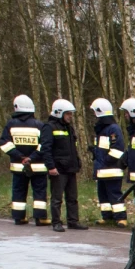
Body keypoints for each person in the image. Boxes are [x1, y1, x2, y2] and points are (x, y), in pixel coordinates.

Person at [0, 94, 51, 225]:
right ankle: (40, 218)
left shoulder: (10, 125)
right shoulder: (39, 125)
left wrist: (19, 156)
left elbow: (4, 144)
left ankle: (19, 217)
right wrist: (31, 158)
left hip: (18, 166)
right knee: (39, 192)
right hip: (38, 166)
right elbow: (44, 144)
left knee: (19, 191)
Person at [46, 99, 87, 232]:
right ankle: (56, 222)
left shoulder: (69, 128)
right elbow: (45, 150)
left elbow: (72, 148)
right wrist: (51, 167)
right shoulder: (49, 127)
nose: (70, 116)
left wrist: (77, 162)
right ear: (59, 113)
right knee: (57, 198)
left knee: (72, 198)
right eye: (67, 113)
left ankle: (73, 221)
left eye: (71, 113)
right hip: (58, 169)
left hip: (70, 168)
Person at [90, 98, 128, 227]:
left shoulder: (113, 129)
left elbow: (118, 149)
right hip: (102, 170)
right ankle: (107, 217)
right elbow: (102, 149)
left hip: (111, 169)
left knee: (114, 194)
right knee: (103, 195)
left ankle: (121, 218)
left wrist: (106, 162)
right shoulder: (101, 130)